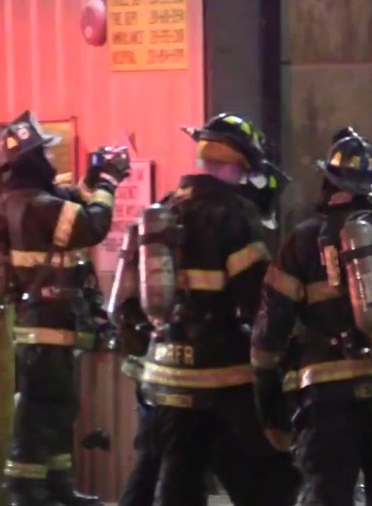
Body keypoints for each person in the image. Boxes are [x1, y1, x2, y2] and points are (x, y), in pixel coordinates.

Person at [251, 126, 372, 506]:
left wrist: (266, 390)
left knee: (327, 494)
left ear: (328, 180)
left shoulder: (302, 240)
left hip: (327, 396)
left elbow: (271, 327)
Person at [112, 113, 300, 506]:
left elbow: (127, 303)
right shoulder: (234, 214)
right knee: (267, 476)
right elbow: (257, 301)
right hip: (224, 376)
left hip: (164, 374)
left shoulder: (161, 210)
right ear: (237, 165)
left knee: (168, 472)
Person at [0, 110, 130, 506]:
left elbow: (70, 203)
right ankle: (26, 490)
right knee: (39, 408)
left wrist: (92, 179)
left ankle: (57, 485)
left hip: (43, 322)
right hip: (47, 323)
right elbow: (91, 224)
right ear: (32, 159)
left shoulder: (16, 201)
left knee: (59, 405)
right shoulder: (37, 205)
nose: (50, 159)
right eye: (44, 152)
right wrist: (108, 184)